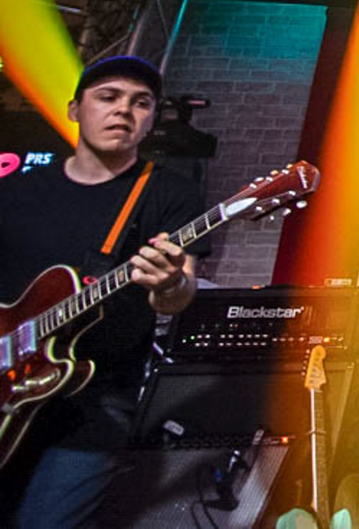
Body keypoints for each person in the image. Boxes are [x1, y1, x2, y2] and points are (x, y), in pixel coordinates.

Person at [0, 56, 204, 528]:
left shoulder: (168, 194)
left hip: (97, 399)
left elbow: (175, 296)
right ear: (75, 109)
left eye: (141, 104)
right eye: (108, 98)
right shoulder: (17, 193)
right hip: (10, 386)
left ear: (152, 119)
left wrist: (171, 281)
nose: (124, 112)